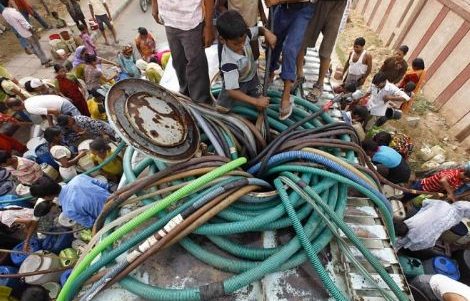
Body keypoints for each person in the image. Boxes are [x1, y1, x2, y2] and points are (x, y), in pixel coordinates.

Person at [151, 0, 215, 104]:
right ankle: (185, 95)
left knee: (196, 64)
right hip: (169, 19)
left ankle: (201, 103)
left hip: (191, 20)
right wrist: (154, 4)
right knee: (178, 61)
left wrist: (208, 26)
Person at [216, 10, 276, 112]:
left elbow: (259, 30)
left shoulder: (245, 34)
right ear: (222, 40)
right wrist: (256, 101)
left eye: (243, 40)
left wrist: (267, 33)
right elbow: (232, 91)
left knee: (262, 107)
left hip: (252, 78)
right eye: (236, 44)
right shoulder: (228, 63)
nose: (242, 45)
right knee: (223, 109)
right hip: (236, 84)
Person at [266, 0, 315, 120]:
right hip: (283, 8)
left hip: (303, 9)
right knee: (273, 41)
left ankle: (286, 95)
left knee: (290, 48)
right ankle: (270, 74)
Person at [297, 0, 348, 101]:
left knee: (326, 50)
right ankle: (299, 74)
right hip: (318, 4)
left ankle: (320, 84)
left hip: (337, 7)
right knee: (302, 41)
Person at [30, 174, 110, 228]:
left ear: (47, 197)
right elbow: (105, 186)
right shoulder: (79, 178)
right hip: (116, 198)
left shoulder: (68, 210)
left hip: (110, 217)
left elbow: (92, 223)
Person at [395, 199, 470, 251]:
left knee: (395, 233)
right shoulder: (453, 220)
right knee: (398, 243)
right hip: (420, 233)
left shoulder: (443, 203)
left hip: (413, 222)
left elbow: (424, 202)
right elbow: (438, 230)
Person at [1, 0, 52, 67]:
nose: (12, 1)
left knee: (34, 46)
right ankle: (45, 61)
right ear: (8, 2)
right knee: (38, 47)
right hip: (28, 32)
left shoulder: (4, 13)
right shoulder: (14, 12)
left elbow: (11, 23)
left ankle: (38, 56)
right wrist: (35, 33)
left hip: (21, 33)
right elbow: (25, 24)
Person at [6, 95, 81, 127]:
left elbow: (55, 111)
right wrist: (51, 124)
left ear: (15, 107)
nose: (14, 111)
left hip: (63, 105)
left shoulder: (30, 108)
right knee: (75, 123)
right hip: (60, 101)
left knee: (79, 122)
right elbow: (46, 111)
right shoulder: (27, 100)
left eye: (12, 109)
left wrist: (62, 120)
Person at [405, 168, 470, 203]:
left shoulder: (461, 180)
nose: (468, 183)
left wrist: (449, 194)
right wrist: (450, 193)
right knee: (408, 194)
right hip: (423, 185)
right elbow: (443, 180)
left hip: (431, 189)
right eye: (469, 181)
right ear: (467, 178)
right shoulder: (453, 173)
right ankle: (400, 200)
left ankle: (404, 201)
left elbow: (452, 187)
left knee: (413, 195)